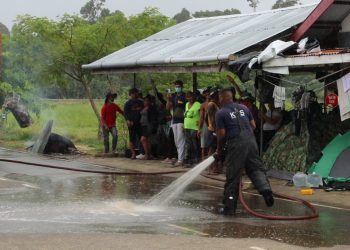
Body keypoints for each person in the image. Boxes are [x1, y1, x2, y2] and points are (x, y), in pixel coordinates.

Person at [215, 89, 274, 216]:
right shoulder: (244, 108)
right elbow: (253, 126)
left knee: (233, 177)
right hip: (251, 142)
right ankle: (266, 190)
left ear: (222, 99)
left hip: (236, 144)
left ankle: (229, 208)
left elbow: (221, 135)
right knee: (255, 169)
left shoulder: (221, 113)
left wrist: (219, 150)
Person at [166, 80, 187, 167]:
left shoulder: (184, 96)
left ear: (182, 86)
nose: (177, 88)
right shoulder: (173, 96)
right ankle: (180, 157)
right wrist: (168, 100)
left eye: (178, 86)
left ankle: (181, 159)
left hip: (182, 120)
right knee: (176, 141)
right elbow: (168, 108)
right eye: (176, 86)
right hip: (174, 120)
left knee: (181, 140)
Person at [124, 88, 144, 159]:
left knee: (142, 138)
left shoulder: (141, 102)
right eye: (134, 93)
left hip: (140, 123)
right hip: (132, 123)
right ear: (130, 94)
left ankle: (143, 153)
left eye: (136, 93)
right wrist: (128, 120)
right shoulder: (127, 103)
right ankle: (133, 154)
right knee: (132, 139)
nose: (135, 94)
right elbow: (125, 114)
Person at [184, 91, 201, 165]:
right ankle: (190, 160)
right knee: (189, 144)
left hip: (195, 127)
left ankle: (197, 160)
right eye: (188, 97)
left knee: (195, 144)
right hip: (186, 126)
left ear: (194, 97)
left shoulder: (198, 104)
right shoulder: (186, 104)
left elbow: (201, 115)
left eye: (191, 96)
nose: (189, 98)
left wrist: (200, 124)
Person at [139, 95, 158, 160]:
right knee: (147, 140)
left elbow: (153, 118)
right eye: (145, 100)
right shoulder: (143, 107)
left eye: (147, 100)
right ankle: (149, 155)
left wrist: (152, 126)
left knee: (143, 139)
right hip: (143, 125)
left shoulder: (152, 108)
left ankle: (147, 154)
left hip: (148, 125)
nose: (145, 102)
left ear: (149, 101)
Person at [206, 88, 221, 174]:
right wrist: (216, 130)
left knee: (213, 149)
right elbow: (212, 119)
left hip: (214, 129)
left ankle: (213, 167)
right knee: (212, 149)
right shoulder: (211, 104)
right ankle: (212, 168)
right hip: (213, 130)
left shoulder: (214, 104)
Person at [198, 86, 212, 160]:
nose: (208, 94)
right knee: (204, 146)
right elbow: (201, 118)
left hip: (214, 126)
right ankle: (203, 162)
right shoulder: (203, 105)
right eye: (206, 93)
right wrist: (199, 129)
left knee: (212, 146)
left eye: (209, 92)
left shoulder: (216, 103)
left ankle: (212, 164)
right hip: (206, 125)